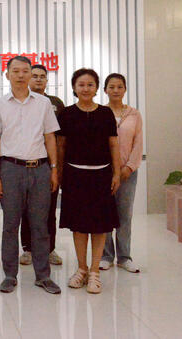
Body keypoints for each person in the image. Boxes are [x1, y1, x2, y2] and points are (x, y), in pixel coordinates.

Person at [0, 56, 61, 295]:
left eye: (25, 71)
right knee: (10, 224)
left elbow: (50, 137)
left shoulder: (43, 103)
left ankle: (43, 276)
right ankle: (10, 275)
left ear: (30, 74)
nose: (20, 75)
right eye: (15, 71)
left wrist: (54, 169)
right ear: (7, 75)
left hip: (40, 168)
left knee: (40, 225)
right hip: (10, 169)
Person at [57, 68, 120, 294]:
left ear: (96, 88)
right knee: (79, 225)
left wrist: (116, 173)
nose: (86, 88)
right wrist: (59, 173)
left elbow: (113, 144)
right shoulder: (66, 114)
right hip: (74, 175)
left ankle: (95, 271)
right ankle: (81, 269)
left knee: (100, 225)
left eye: (90, 85)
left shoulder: (105, 113)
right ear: (74, 87)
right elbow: (61, 146)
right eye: (81, 85)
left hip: (101, 175)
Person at [20, 64, 65, 266]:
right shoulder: (21, 101)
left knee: (49, 210)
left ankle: (50, 248)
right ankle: (28, 249)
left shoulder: (56, 103)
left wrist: (58, 167)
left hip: (49, 164)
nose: (38, 79)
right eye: (35, 76)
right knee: (26, 210)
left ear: (47, 80)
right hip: (26, 163)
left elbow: (61, 138)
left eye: (42, 76)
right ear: (28, 79)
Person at [101, 73, 143, 273]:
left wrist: (129, 167)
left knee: (125, 214)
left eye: (119, 87)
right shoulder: (101, 113)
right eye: (111, 87)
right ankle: (106, 256)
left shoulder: (134, 114)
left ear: (125, 89)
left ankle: (124, 257)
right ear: (105, 90)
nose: (115, 90)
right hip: (104, 172)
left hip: (128, 172)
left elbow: (138, 142)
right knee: (105, 214)